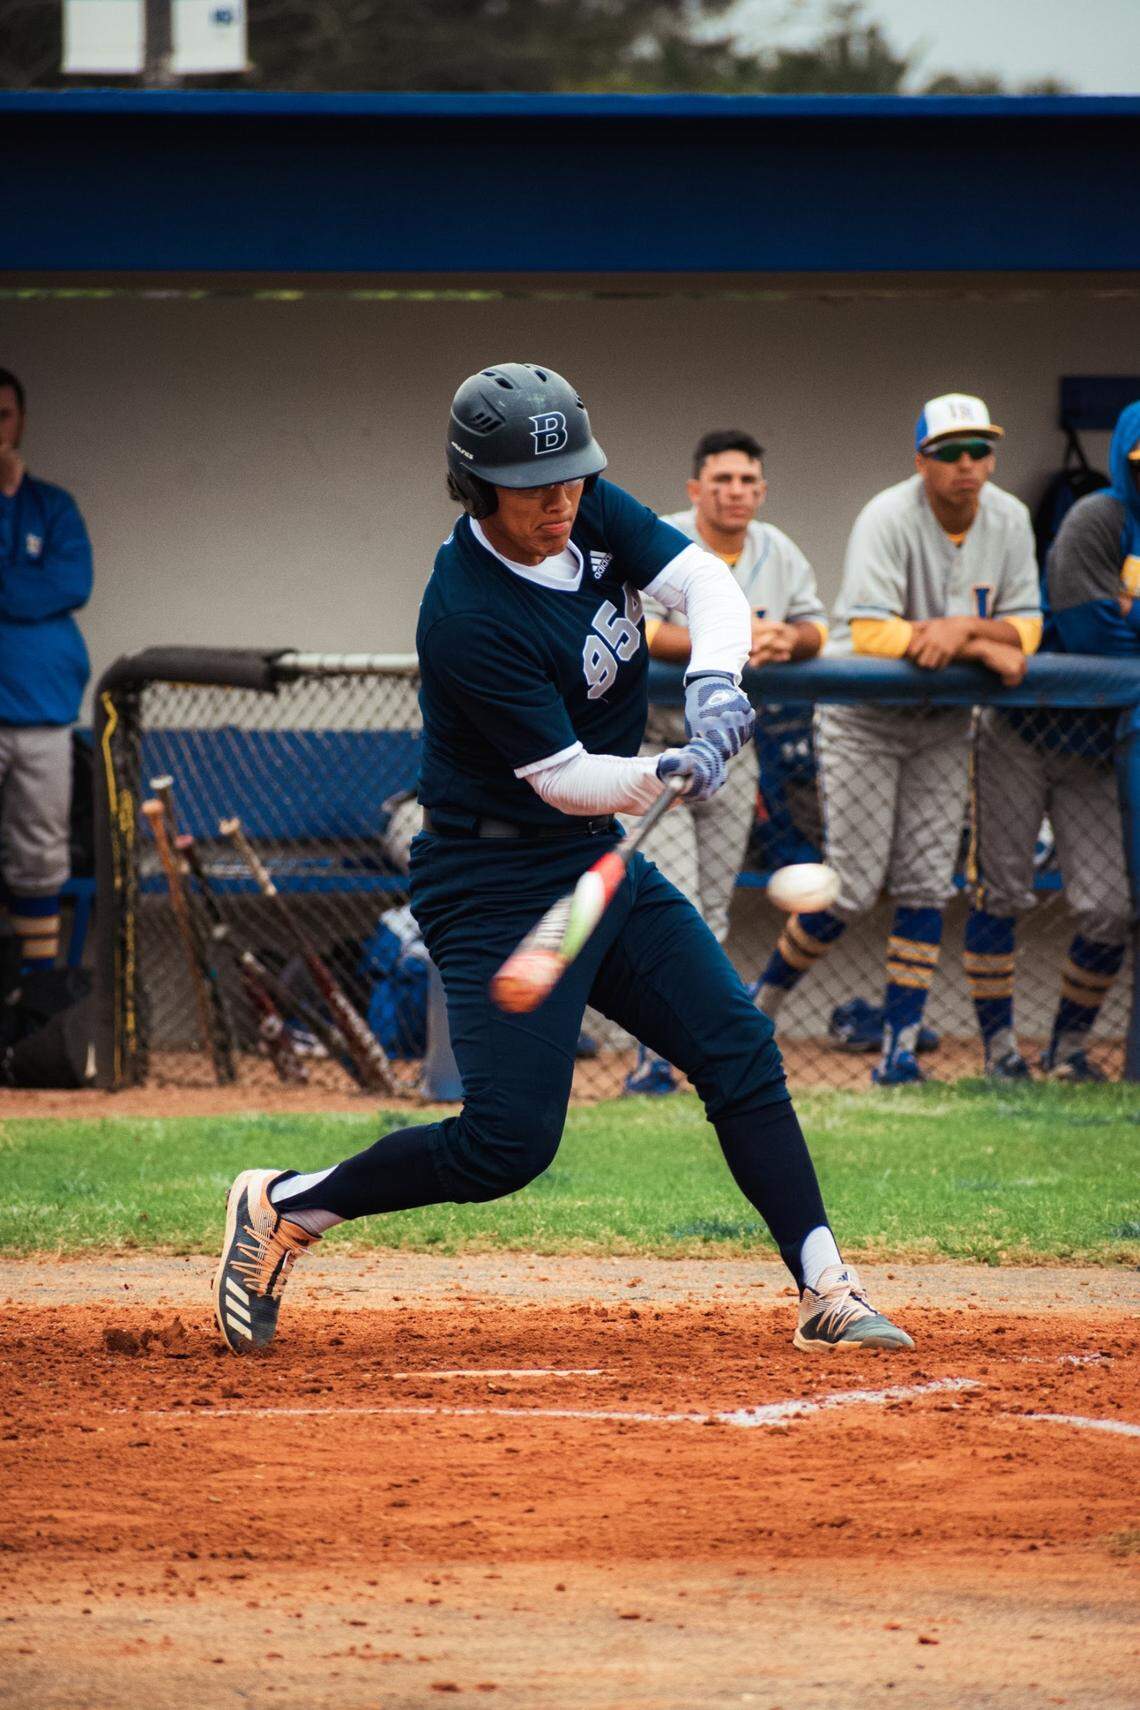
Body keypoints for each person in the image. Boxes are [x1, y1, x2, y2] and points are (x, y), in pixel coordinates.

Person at [213, 361, 913, 1356]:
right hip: (490, 882)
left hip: (594, 865)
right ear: (475, 487)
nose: (561, 500)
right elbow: (566, 778)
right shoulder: (466, 614)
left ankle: (826, 1288)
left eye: (573, 477)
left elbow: (705, 582)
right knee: (507, 1144)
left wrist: (715, 686)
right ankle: (285, 1205)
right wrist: (667, 767)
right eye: (533, 486)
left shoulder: (586, 508)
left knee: (738, 1048)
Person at [751, 393, 1042, 1085]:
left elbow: (1028, 627)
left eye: (979, 450)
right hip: (865, 720)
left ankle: (899, 1051)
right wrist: (974, 641)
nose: (967, 464)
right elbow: (872, 631)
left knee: (925, 887)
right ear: (921, 461)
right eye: (950, 452)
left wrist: (962, 631)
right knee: (851, 890)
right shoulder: (887, 515)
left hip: (943, 722)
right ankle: (758, 1007)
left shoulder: (1010, 517)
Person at [627, 429, 827, 1095]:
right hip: (650, 746)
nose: (735, 492)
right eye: (722, 480)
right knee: (669, 902)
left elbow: (817, 629)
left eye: (747, 481)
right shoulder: (658, 536)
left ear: (761, 491)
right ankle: (650, 1059)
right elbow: (636, 629)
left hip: (727, 751)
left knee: (712, 910)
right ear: (696, 489)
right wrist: (728, 640)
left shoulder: (780, 550)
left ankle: (691, 1054)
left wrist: (785, 638)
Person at [964, 398, 1140, 1080]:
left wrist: (1128, 612)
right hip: (1024, 726)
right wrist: (1119, 616)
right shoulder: (1099, 516)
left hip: (1098, 747)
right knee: (1001, 891)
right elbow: (1093, 634)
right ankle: (1000, 1053)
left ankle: (1068, 1049)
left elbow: (1117, 629)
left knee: (1110, 907)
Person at [0, 368, 93, 976]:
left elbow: (72, 583)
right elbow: (43, 590)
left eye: (3, 416)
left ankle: (32, 1001)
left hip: (44, 710)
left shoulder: (53, 506)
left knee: (39, 860)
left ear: (21, 422)